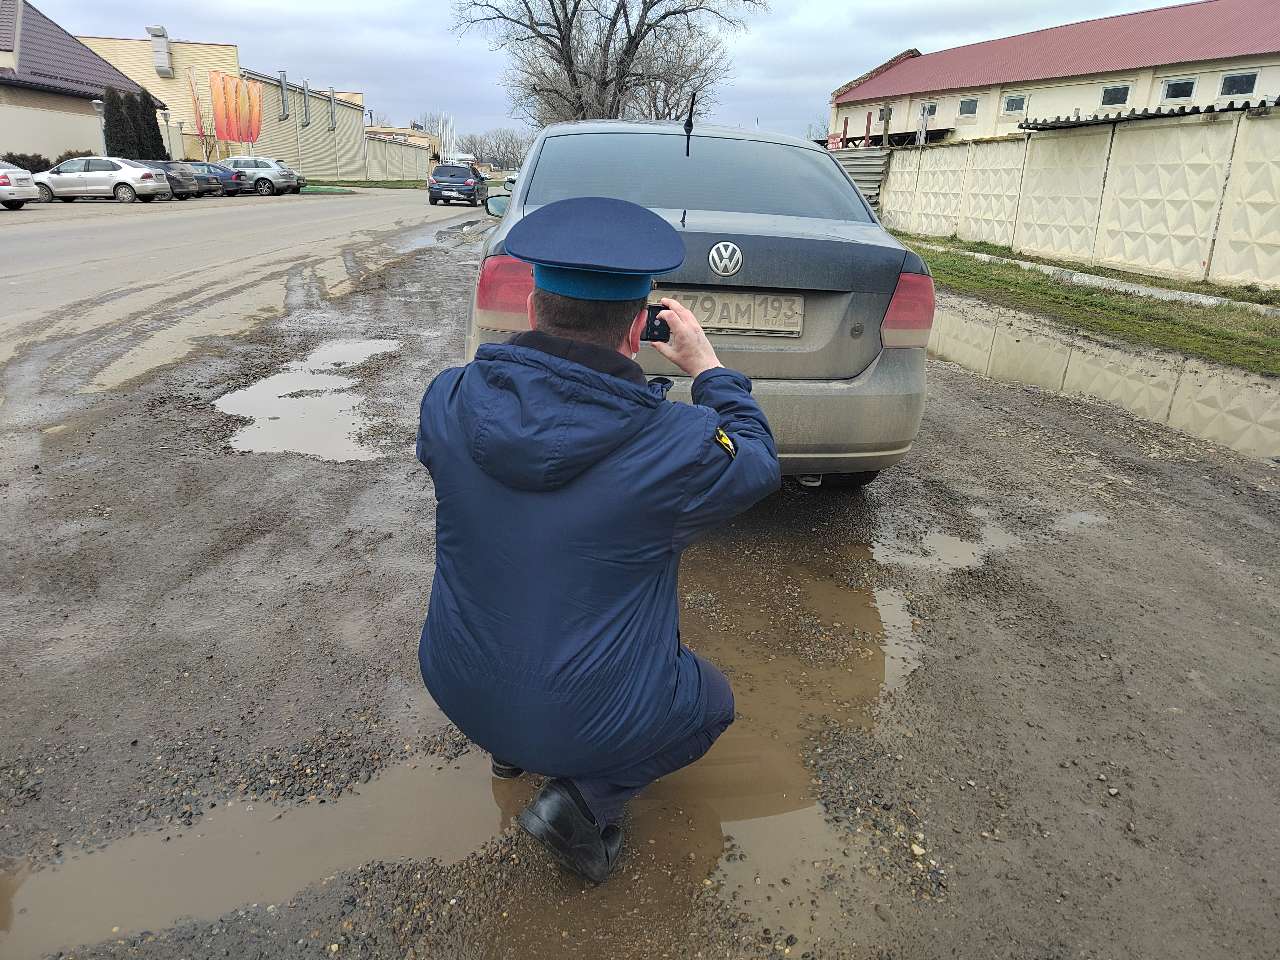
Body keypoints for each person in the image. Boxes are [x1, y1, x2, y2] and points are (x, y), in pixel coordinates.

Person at [415, 196, 781, 884]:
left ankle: (507, 748)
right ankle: (580, 803)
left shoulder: (447, 398)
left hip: (455, 683)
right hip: (579, 718)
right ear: (639, 329)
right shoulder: (678, 445)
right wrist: (706, 366)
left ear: (531, 309)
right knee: (710, 703)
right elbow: (757, 457)